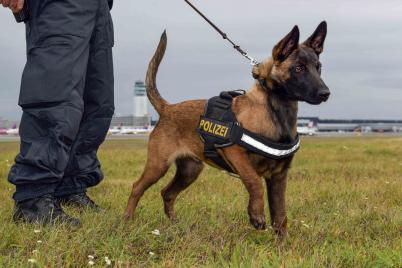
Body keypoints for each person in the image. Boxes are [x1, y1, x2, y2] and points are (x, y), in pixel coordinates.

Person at [1, 0, 115, 227]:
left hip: (99, 6)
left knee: (97, 104)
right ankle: (33, 199)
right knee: (54, 96)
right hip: (57, 6)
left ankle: (70, 186)